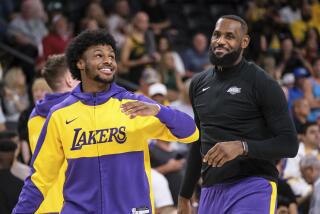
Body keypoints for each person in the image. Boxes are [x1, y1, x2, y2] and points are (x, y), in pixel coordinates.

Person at [13, 29, 199, 213]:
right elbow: (39, 179)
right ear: (80, 63)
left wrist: (161, 111)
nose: (108, 60)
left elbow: (191, 132)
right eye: (99, 55)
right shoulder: (60, 114)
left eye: (111, 55)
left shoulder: (134, 104)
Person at [178, 15, 298, 214]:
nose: (220, 41)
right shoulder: (198, 83)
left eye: (229, 36)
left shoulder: (262, 83)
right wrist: (184, 195)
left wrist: (242, 147)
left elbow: (289, 144)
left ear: (244, 42)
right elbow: (197, 140)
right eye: (216, 34)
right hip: (210, 189)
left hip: (252, 185)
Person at [27, 54, 79, 213]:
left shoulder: (34, 116)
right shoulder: (78, 111)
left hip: (42, 203)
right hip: (73, 203)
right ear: (70, 79)